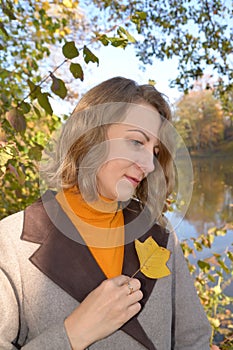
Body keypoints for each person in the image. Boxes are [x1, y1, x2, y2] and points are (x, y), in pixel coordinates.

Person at [0, 77, 217, 350]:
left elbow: (192, 338)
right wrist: (73, 333)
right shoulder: (10, 243)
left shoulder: (159, 233)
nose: (149, 164)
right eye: (137, 142)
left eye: (155, 151)